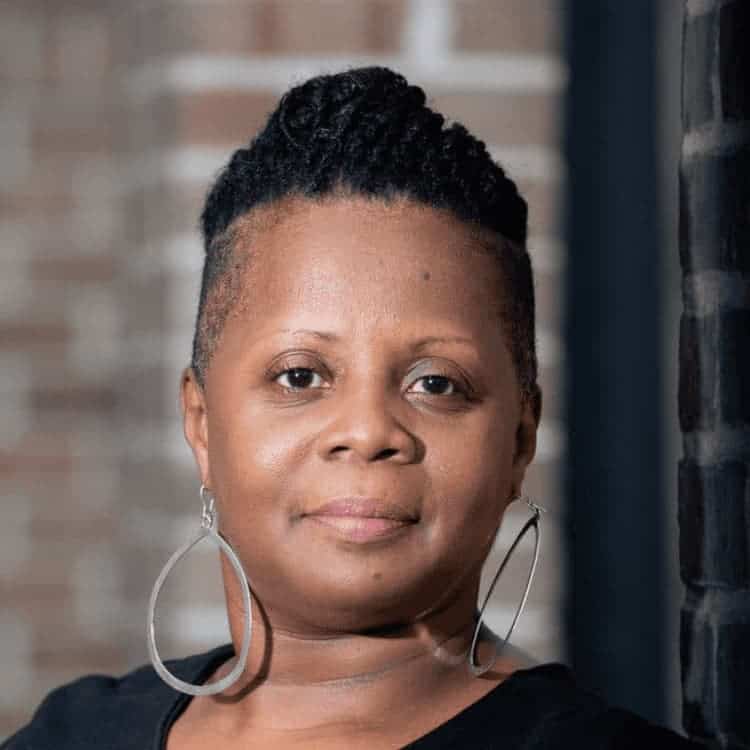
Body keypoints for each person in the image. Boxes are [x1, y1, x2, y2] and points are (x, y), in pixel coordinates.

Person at [2, 66, 700, 749]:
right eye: (300, 376)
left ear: (520, 439)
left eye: (436, 383)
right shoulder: (72, 733)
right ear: (203, 424)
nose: (368, 432)